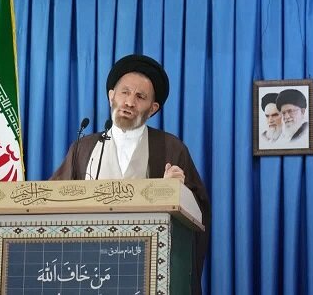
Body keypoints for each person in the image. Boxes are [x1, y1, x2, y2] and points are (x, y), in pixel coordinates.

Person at [51, 54, 210, 295]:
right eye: (124, 92)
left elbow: (199, 211)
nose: (129, 102)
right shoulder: (84, 148)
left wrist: (178, 192)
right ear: (111, 95)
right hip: (88, 268)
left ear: (153, 108)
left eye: (140, 97)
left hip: (147, 269)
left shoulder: (171, 148)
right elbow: (54, 199)